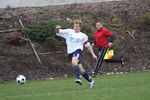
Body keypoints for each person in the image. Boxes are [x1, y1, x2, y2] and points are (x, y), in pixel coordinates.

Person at [56, 20, 97, 88]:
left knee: (74, 62)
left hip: (78, 51)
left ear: (80, 27)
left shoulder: (83, 36)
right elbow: (58, 31)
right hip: (70, 52)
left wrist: (93, 54)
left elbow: (88, 46)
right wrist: (57, 28)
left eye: (77, 26)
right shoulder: (69, 31)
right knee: (81, 70)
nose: (75, 27)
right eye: (74, 26)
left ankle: (78, 78)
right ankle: (91, 81)